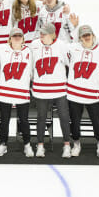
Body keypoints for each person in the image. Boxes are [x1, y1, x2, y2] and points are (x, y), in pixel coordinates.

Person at [30, 23, 73, 158]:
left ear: (53, 34)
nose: (41, 35)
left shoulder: (62, 45)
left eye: (45, 33)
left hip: (59, 89)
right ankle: (40, 145)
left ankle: (67, 145)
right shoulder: (34, 45)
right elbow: (30, 65)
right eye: (41, 32)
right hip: (41, 89)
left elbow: (70, 64)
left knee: (64, 117)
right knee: (41, 117)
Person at [66, 22, 99, 158]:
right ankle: (76, 143)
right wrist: (72, 25)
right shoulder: (73, 48)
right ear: (80, 38)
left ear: (93, 36)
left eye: (88, 35)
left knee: (96, 121)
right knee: (75, 121)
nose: (86, 37)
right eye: (83, 36)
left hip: (92, 94)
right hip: (74, 93)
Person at [0, 27, 35, 157]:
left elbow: (34, 70)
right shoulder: (1, 49)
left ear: (23, 38)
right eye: (14, 35)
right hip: (4, 91)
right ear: (10, 38)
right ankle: (3, 144)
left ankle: (27, 144)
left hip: (22, 91)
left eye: (19, 35)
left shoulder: (30, 51)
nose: (17, 37)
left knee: (24, 120)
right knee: (4, 120)